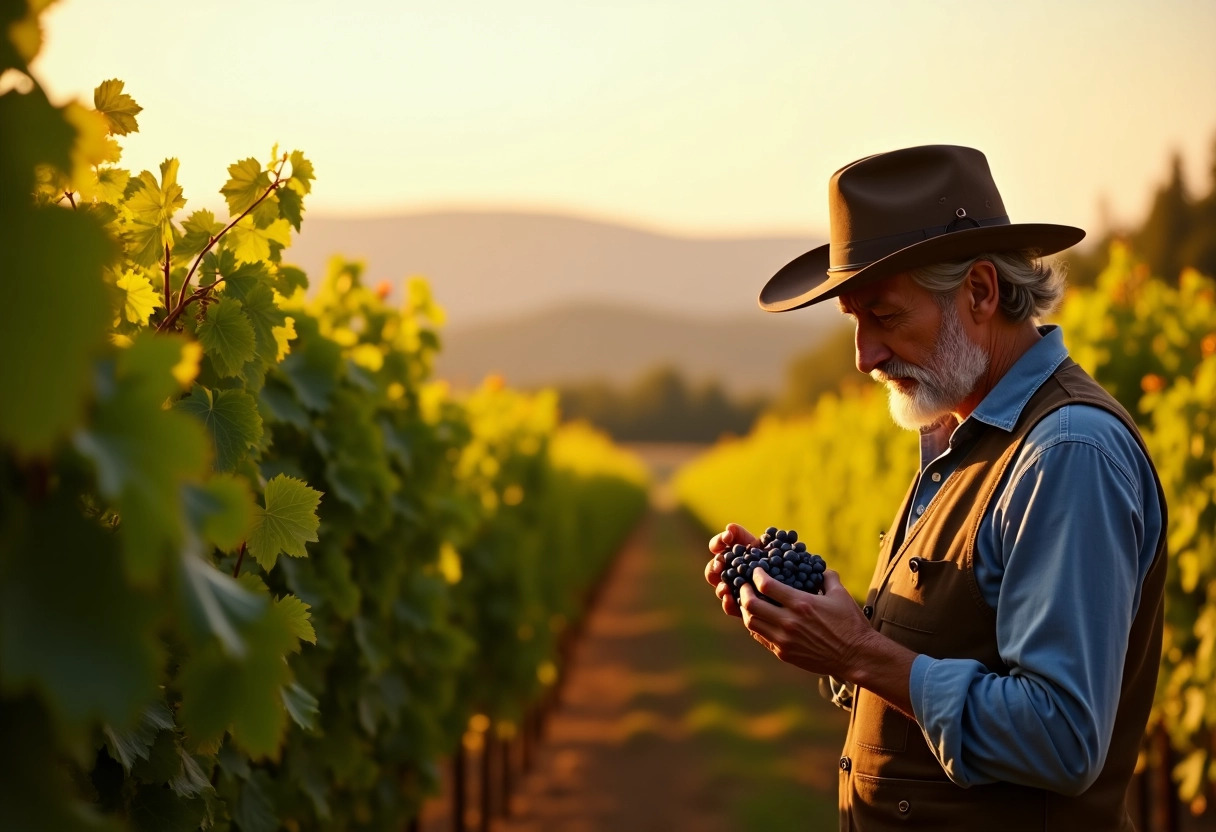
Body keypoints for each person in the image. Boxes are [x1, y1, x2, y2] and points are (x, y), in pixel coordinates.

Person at [703, 145, 1167, 830]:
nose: (865, 356)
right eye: (855, 323)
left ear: (980, 291)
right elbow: (940, 661)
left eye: (885, 317)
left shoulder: (1065, 453)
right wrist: (828, 634)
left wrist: (860, 652)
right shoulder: (960, 438)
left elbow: (1062, 737)